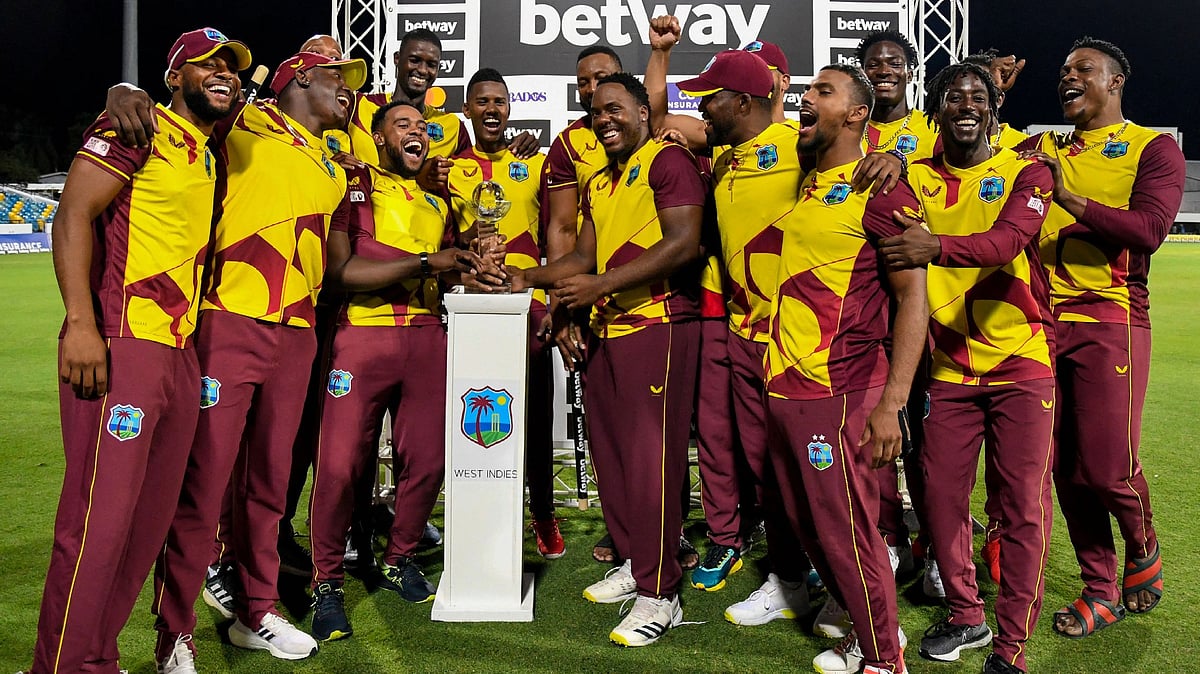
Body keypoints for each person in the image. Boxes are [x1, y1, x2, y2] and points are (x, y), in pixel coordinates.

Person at [104, 48, 367, 669]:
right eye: (338, 80)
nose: (350, 93)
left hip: (296, 333)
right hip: (226, 322)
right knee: (204, 484)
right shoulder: (245, 120)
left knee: (270, 485)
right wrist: (120, 88)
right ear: (301, 77)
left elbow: (333, 266)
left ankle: (257, 611)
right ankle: (176, 633)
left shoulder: (333, 168)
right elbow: (176, 109)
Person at [27, 28, 248, 674]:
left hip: (179, 354)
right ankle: (59, 667)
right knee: (97, 522)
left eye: (230, 68)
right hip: (124, 340)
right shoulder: (137, 124)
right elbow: (70, 214)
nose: (223, 74)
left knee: (146, 525)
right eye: (205, 64)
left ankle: (96, 656)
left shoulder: (211, 152)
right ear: (172, 78)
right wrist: (79, 323)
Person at [505, 73, 707, 646]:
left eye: (615, 108)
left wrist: (600, 286)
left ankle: (660, 591)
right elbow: (585, 256)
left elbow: (684, 243)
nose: (605, 119)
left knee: (652, 461)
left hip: (660, 325)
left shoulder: (668, 162)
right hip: (609, 329)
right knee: (612, 459)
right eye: (596, 113)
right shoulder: (600, 178)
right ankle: (635, 560)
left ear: (645, 111)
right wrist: (530, 276)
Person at [879, 61, 1056, 674]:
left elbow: (1006, 243)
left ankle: (1011, 646)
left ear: (993, 107)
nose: (966, 104)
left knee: (1022, 504)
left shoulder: (1025, 169)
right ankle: (965, 614)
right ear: (937, 109)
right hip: (949, 368)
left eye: (978, 96)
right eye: (953, 96)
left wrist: (938, 246)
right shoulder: (913, 177)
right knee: (941, 497)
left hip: (1021, 362)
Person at [1018, 36, 1185, 639]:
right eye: (1063, 69)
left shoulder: (1152, 148)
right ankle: (1100, 588)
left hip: (1110, 319)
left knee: (1108, 466)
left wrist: (1069, 197)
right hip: (1036, 325)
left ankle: (1143, 543)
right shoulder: (1040, 146)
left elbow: (1149, 230)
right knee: (1063, 466)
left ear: (1115, 81)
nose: (1068, 76)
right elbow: (969, 144)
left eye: (1082, 69)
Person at [763, 63, 925, 674]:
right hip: (786, 385)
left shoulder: (883, 189)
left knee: (846, 530)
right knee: (813, 527)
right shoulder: (812, 178)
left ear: (858, 113)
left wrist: (892, 403)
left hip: (840, 389)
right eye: (806, 91)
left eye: (823, 92)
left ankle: (885, 658)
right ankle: (867, 633)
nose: (807, 99)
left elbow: (914, 299)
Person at [308, 99, 482, 640]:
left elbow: (448, 270)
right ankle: (327, 580)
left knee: (429, 460)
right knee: (338, 467)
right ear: (379, 137)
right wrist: (427, 263)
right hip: (362, 336)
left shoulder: (439, 201)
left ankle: (399, 554)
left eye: (423, 128)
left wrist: (475, 271)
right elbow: (340, 271)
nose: (417, 133)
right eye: (402, 125)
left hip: (429, 336)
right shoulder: (353, 181)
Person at [672, 48, 813, 606]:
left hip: (796, 336)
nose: (703, 105)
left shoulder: (800, 146)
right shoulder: (725, 159)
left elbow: (859, 159)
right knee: (761, 460)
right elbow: (665, 118)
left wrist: (889, 162)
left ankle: (825, 569)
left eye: (712, 97)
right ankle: (789, 573)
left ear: (745, 102)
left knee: (805, 460)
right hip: (743, 330)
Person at [446, 68, 563, 558]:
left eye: (500, 102)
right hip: (472, 308)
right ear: (468, 110)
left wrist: (555, 299)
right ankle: (474, 509)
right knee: (477, 412)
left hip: (527, 307)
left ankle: (541, 513)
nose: (492, 110)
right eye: (482, 102)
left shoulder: (534, 163)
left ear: (510, 109)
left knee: (535, 415)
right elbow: (443, 240)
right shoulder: (445, 170)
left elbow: (557, 232)